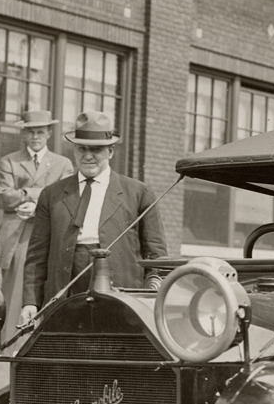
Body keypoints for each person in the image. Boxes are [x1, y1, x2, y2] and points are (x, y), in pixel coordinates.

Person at [20, 111, 167, 324]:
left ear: (111, 151)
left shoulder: (138, 193)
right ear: (74, 150)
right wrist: (30, 302)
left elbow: (156, 255)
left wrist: (150, 298)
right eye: (82, 148)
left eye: (96, 149)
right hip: (64, 296)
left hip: (124, 301)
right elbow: (37, 255)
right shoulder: (52, 194)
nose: (88, 156)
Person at [0, 110, 75, 342]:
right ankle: (8, 346)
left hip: (49, 231)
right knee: (13, 290)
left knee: (47, 287)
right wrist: (44, 194)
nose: (35, 137)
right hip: (16, 233)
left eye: (40, 132)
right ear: (24, 134)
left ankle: (40, 346)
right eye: (31, 132)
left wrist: (34, 202)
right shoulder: (10, 161)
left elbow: (65, 198)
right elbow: (6, 198)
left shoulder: (63, 164)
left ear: (49, 133)